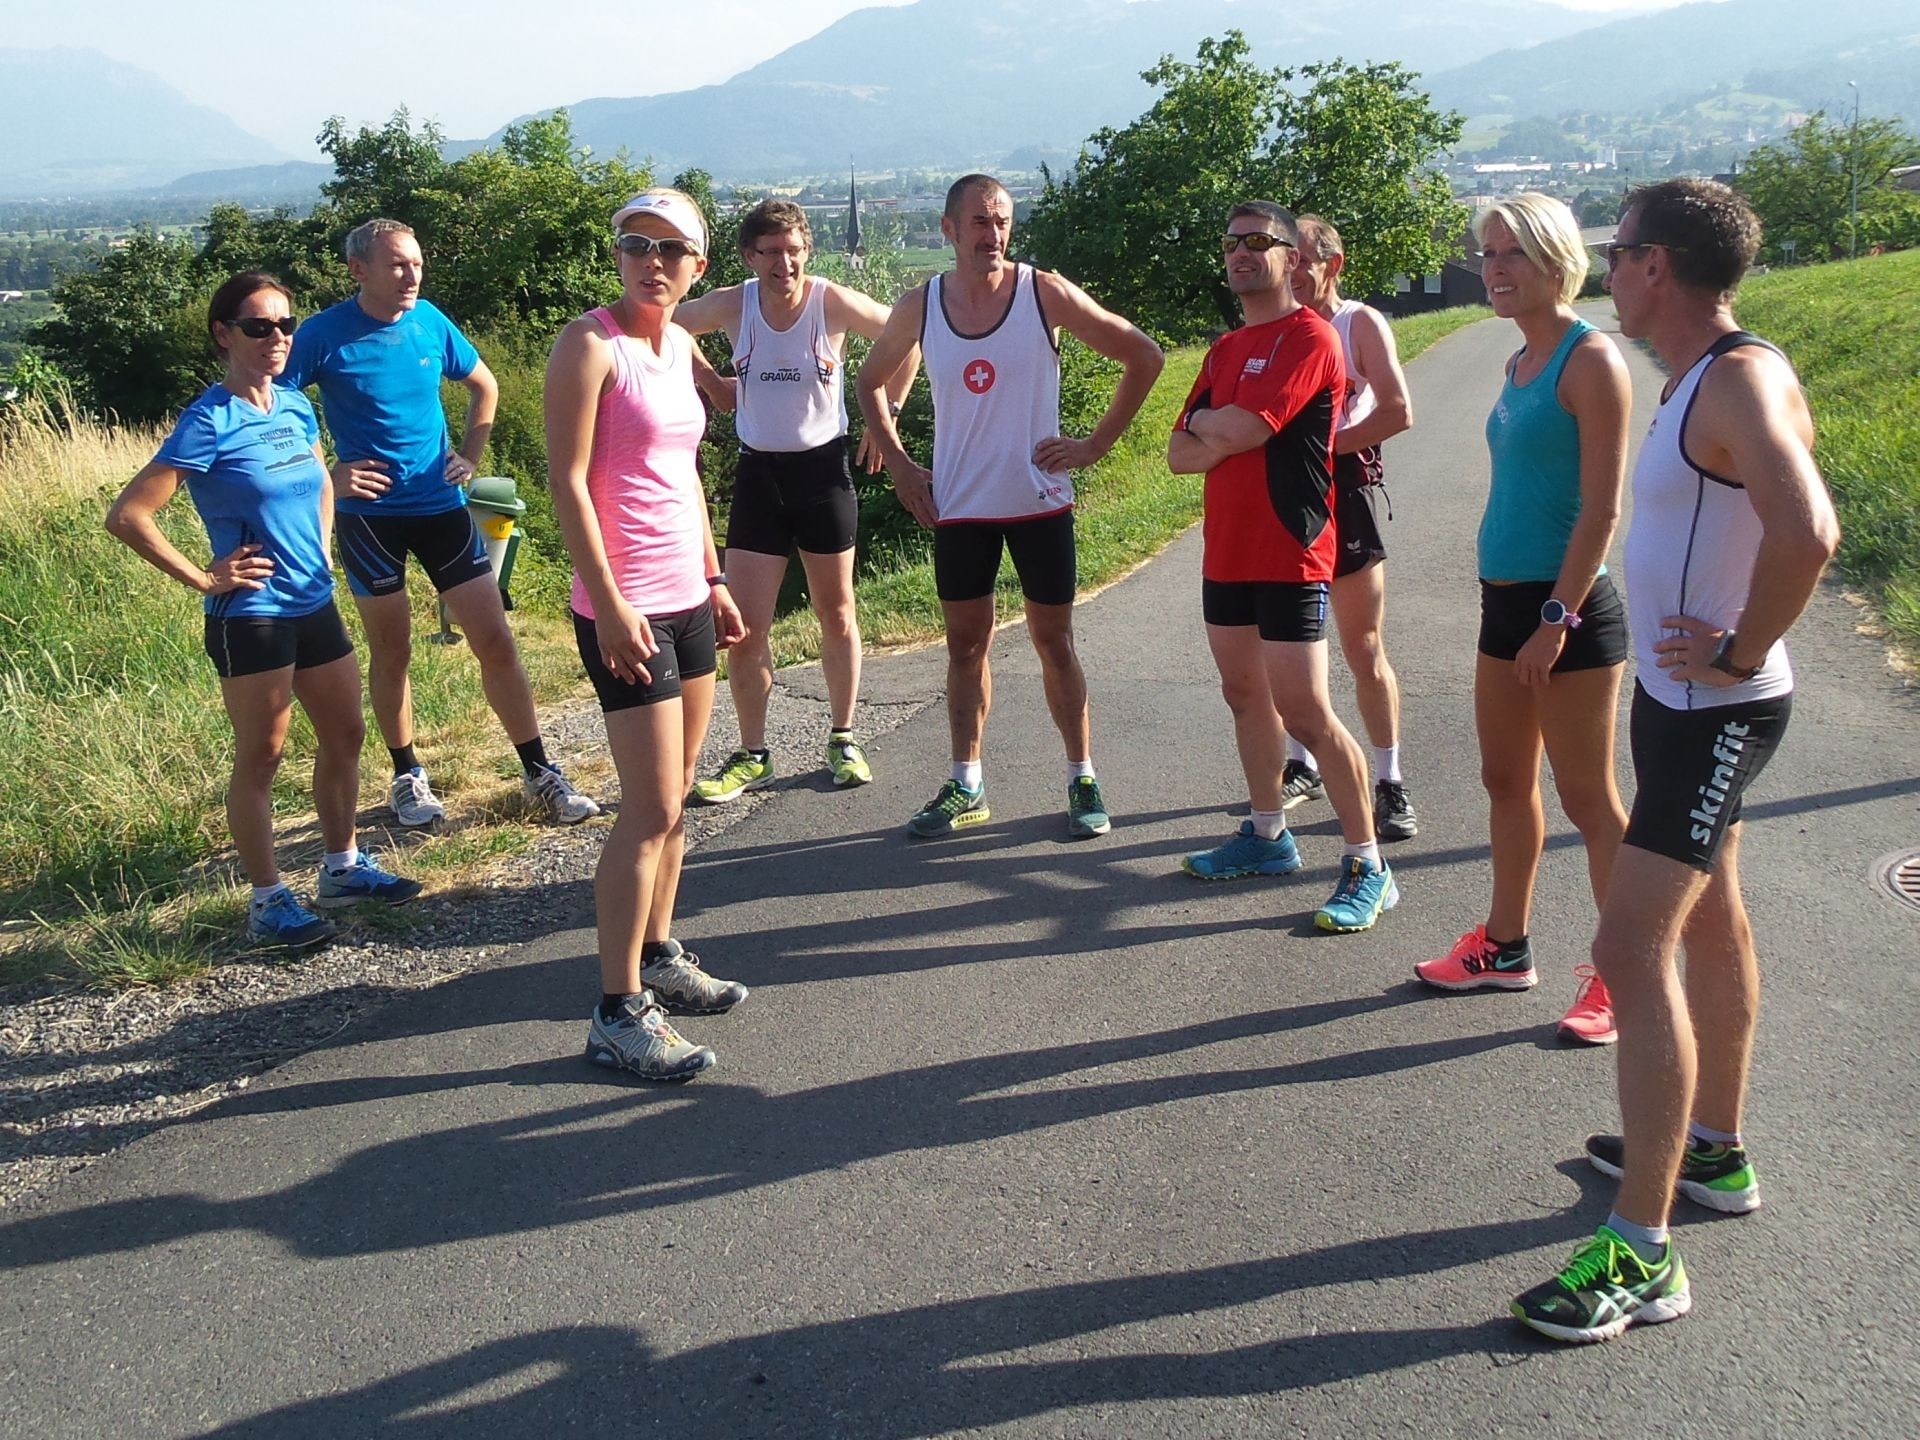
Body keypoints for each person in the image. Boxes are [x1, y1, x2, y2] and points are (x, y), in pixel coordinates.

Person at [1513, 179, 1838, 1343]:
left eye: (1620, 248)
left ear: (1657, 265)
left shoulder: (1741, 377)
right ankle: (1714, 1152)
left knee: (1627, 941)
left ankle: (1645, 1257)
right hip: (1678, 702)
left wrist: (1741, 648)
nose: (1609, 264)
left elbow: (1809, 531)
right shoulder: (1703, 375)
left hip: (1716, 712)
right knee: (1710, 921)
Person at [106, 271, 420, 950]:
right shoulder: (208, 420)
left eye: (285, 325)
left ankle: (342, 868)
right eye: (258, 326)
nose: (277, 337)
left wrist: (325, 544)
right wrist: (204, 577)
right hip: (251, 614)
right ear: (225, 336)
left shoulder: (294, 407)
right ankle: (267, 899)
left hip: (313, 600)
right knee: (263, 754)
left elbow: (320, 480)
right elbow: (128, 515)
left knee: (346, 736)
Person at [853, 174, 1163, 839]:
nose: (992, 236)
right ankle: (967, 784)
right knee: (966, 646)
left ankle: (1082, 775)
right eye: (978, 222)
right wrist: (903, 466)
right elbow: (869, 381)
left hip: (1038, 503)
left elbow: (1143, 355)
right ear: (948, 229)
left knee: (1055, 641)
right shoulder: (921, 304)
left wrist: (1094, 445)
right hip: (961, 506)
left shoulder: (1042, 292)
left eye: (1001, 223)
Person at [281, 218, 600, 830]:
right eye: (397, 264)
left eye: (417, 264)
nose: (411, 275)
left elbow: (485, 385)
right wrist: (329, 475)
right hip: (369, 521)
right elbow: (279, 405)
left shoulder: (430, 321)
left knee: (495, 640)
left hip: (441, 509)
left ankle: (540, 772)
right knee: (393, 649)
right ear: (359, 270)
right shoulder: (322, 334)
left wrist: (472, 454)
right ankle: (408, 774)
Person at [1412, 193, 1629, 1044]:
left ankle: (1621, 974)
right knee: (1505, 783)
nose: (1494, 269)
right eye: (1489, 254)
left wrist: (1555, 618)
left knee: (1589, 800)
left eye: (1513, 255)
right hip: (1504, 606)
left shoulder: (1591, 360)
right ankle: (1505, 948)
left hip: (1563, 611)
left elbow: (1602, 510)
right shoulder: (1518, 363)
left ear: (1556, 261)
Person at [546, 189, 752, 1082]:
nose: (653, 262)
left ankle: (661, 953)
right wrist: (610, 598)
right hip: (622, 607)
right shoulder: (591, 344)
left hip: (685, 596)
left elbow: (685, 475)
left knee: (679, 800)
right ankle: (617, 1009)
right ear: (620, 255)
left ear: (698, 268)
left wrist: (713, 577)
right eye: (638, 245)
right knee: (651, 807)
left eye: (673, 250)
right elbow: (568, 481)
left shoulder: (680, 348)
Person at [1168, 202, 1398, 933]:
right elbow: (1178, 454)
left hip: (1291, 552)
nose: (1240, 253)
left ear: (1292, 258)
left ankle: (1369, 863)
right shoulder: (1225, 349)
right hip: (1227, 551)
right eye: (1231, 241)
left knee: (1305, 710)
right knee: (1244, 696)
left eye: (1257, 242)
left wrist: (1220, 425)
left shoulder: (1310, 338)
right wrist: (1221, 427)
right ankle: (1268, 835)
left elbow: (1231, 428)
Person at [676, 199, 913, 802]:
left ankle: (843, 737)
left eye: (793, 250)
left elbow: (909, 338)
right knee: (746, 627)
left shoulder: (829, 301)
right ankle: (754, 754)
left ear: (808, 249)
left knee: (836, 613)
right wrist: (714, 385)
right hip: (760, 477)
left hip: (822, 473)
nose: (784, 263)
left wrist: (884, 420)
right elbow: (665, 320)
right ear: (749, 256)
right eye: (770, 253)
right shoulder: (735, 302)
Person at [1278, 214, 1419, 841]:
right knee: (1290, 644)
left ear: (1333, 265)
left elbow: (1397, 409)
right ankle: (1301, 763)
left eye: (1304, 259)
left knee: (1361, 646)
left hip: (1345, 498)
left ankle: (1389, 782)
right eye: (1289, 257)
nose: (1293, 270)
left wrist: (1325, 450)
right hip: (1285, 503)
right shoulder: (1276, 325)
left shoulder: (1357, 322)